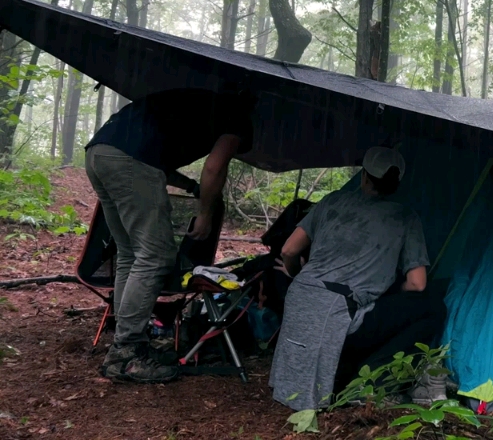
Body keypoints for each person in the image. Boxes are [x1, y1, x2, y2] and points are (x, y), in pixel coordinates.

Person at [85, 87, 257, 383]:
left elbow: (157, 162)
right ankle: (126, 353)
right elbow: (214, 167)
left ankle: (126, 343)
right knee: (155, 256)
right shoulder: (237, 114)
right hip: (131, 159)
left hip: (99, 152)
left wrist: (191, 187)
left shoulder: (196, 99)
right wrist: (205, 213)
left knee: (130, 252)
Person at [269, 146, 448, 411]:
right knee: (432, 308)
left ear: (364, 176)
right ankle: (367, 383)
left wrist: (297, 274)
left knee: (357, 312)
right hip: (340, 318)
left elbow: (288, 250)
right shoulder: (404, 217)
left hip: (300, 305)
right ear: (397, 184)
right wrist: (391, 288)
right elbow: (417, 283)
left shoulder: (331, 200)